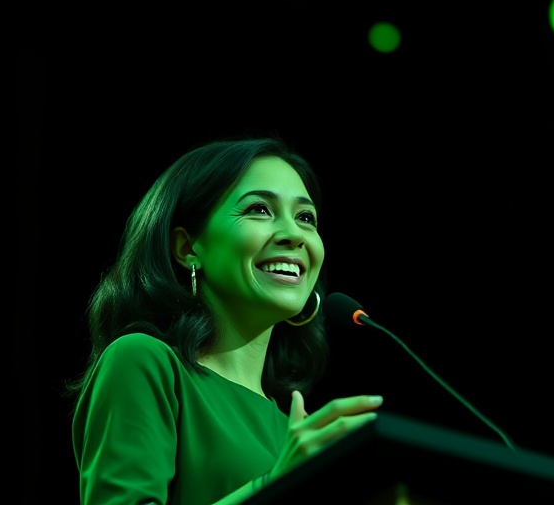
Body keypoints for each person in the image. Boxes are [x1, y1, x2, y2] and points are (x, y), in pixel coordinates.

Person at [66, 135, 384, 505]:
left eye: (305, 217)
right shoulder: (143, 362)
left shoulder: (296, 429)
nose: (294, 235)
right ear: (188, 248)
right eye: (260, 210)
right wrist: (276, 483)